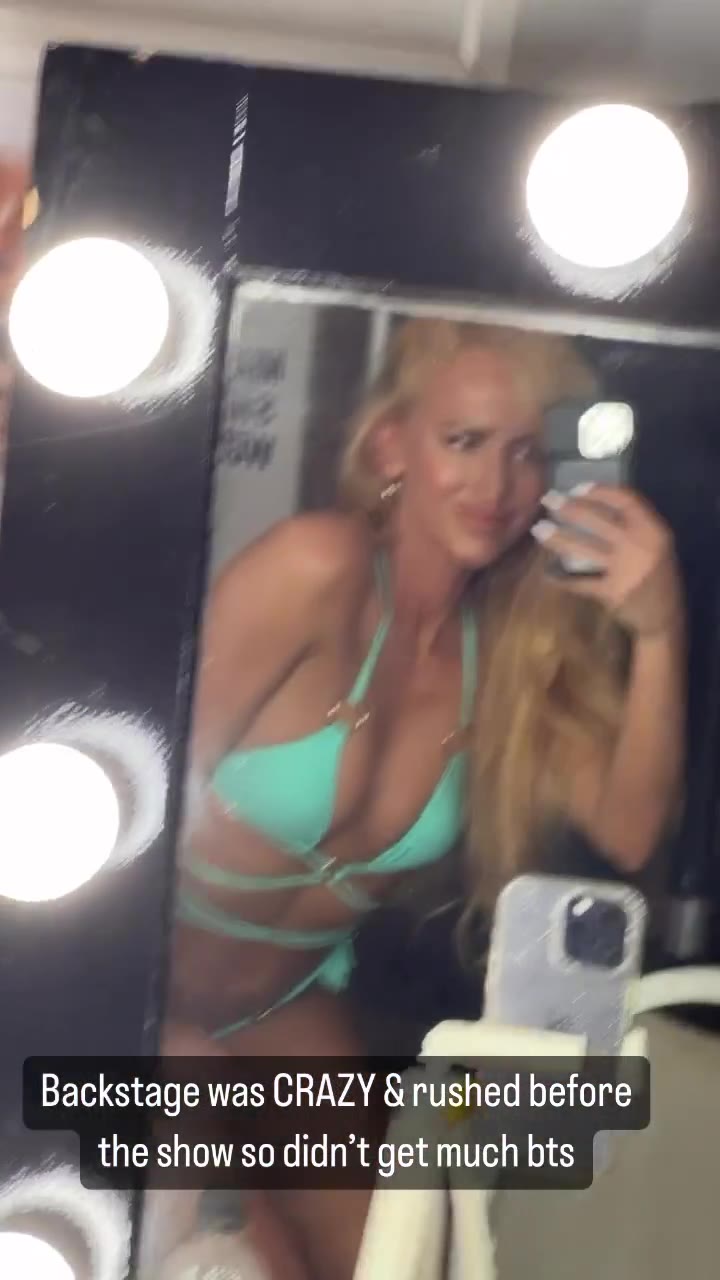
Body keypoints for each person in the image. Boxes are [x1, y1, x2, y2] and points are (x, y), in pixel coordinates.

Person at [155, 318, 685, 1280]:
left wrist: (658, 632)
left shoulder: (511, 656)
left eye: (526, 452)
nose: (496, 486)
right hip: (147, 989)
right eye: (464, 441)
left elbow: (631, 832)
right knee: (238, 1261)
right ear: (393, 445)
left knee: (395, 1264)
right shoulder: (316, 568)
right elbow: (140, 795)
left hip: (282, 1010)